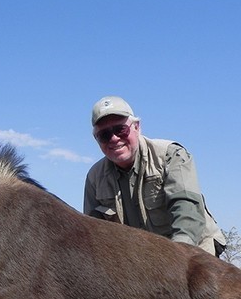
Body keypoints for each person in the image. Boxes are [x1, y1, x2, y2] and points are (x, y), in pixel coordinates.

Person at [83, 95, 226, 256]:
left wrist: (177, 259)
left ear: (137, 127)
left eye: (120, 129)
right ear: (96, 139)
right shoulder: (94, 178)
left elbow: (187, 210)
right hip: (143, 262)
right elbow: (94, 235)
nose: (114, 138)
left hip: (192, 253)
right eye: (104, 135)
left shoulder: (170, 155)